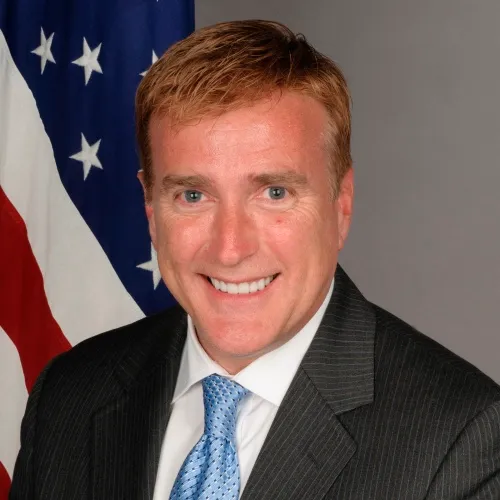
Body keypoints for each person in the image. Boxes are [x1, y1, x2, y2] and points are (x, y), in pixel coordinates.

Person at [10, 20, 500, 500]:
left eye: (274, 192)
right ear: (151, 210)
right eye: (193, 196)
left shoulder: (460, 442)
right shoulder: (67, 396)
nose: (230, 248)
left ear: (341, 203)